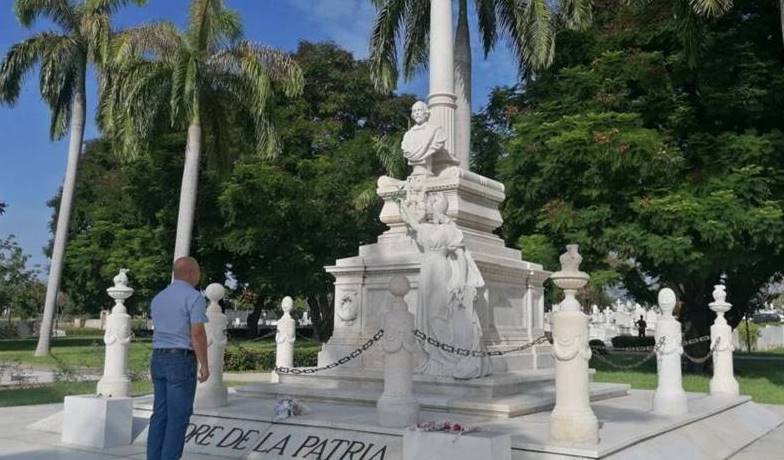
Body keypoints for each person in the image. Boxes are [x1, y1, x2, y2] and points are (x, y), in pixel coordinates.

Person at [399, 191, 491, 379]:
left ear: (439, 206)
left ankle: (448, 357)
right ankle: (436, 357)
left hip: (441, 269)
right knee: (429, 314)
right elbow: (414, 224)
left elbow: (460, 256)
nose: (429, 206)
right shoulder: (426, 228)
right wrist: (403, 205)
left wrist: (459, 279)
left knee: (438, 313)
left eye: (432, 203)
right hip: (427, 271)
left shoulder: (450, 229)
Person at [147, 257, 209, 460]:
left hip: (158, 357)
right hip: (180, 359)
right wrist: (204, 365)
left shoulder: (159, 297)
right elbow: (197, 332)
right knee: (178, 417)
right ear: (191, 272)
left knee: (160, 415)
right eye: (198, 271)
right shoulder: (194, 297)